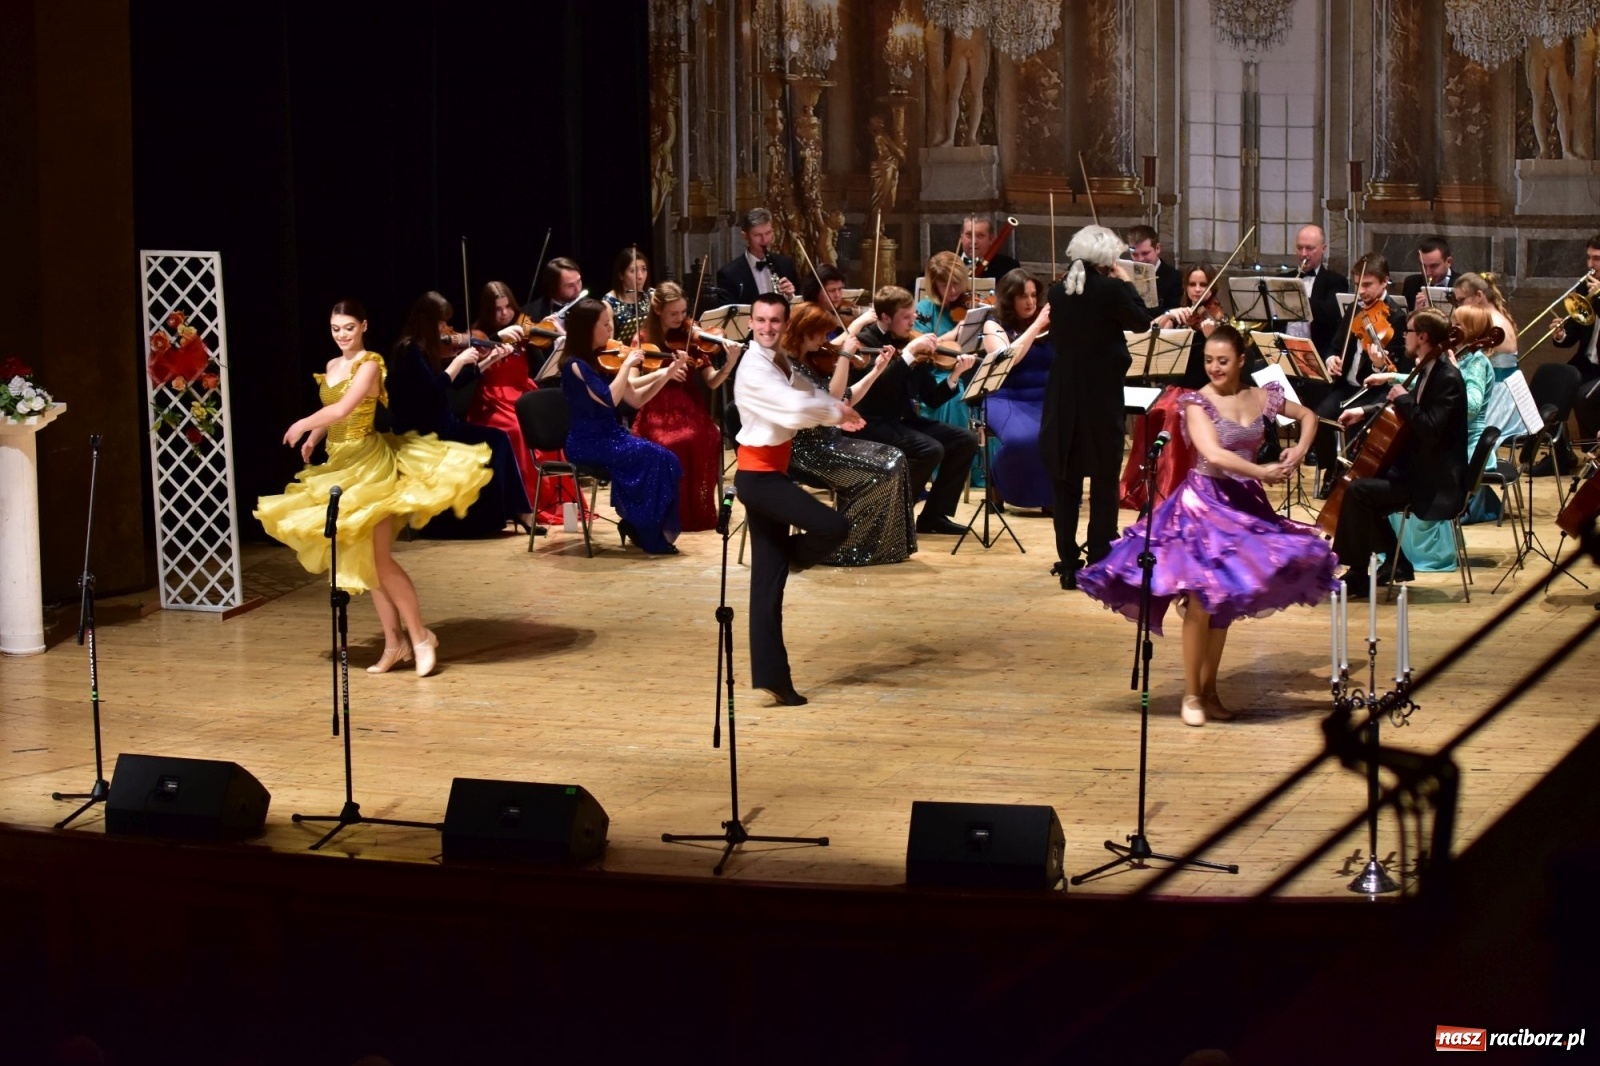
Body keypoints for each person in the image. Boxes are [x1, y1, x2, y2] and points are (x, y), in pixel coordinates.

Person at [1079, 325, 1338, 726]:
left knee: (1223, 604)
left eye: (1222, 361)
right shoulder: (1197, 402)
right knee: (1201, 601)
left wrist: (1298, 450)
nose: (1214, 367)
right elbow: (1213, 454)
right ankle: (1192, 695)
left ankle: (1211, 691)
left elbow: (1308, 416)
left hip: (1245, 504)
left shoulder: (1263, 397)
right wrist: (1260, 470)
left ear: (1240, 361)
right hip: (1204, 505)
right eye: (1208, 361)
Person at [254, 299, 493, 677]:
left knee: (380, 560)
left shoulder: (370, 364)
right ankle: (394, 643)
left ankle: (420, 637)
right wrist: (315, 437)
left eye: (348, 327)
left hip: (370, 466)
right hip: (340, 467)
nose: (342, 335)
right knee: (367, 565)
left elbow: (345, 408)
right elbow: (333, 410)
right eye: (335, 329)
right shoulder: (333, 366)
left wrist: (304, 422)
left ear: (363, 325)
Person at [1042, 225, 1192, 589]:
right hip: (1100, 396)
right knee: (1104, 480)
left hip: (1062, 397)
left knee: (1067, 483)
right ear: (1109, 259)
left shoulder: (1058, 291)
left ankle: (1067, 563)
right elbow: (1142, 322)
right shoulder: (1112, 289)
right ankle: (1099, 557)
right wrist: (1126, 282)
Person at [733, 293, 860, 705]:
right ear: (751, 322)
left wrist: (840, 407)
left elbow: (808, 393)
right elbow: (791, 410)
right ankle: (791, 555)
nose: (767, 327)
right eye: (761, 320)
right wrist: (836, 414)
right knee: (834, 525)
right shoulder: (753, 368)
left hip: (772, 472)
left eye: (775, 320)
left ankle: (774, 679)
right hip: (758, 478)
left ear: (784, 324)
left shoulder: (779, 361)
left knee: (767, 587)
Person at [1331, 307, 1468, 597]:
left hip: (1434, 480)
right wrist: (1363, 410)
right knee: (1357, 484)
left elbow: (1430, 428)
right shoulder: (1429, 368)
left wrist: (1405, 399)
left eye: (1407, 332)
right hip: (1418, 468)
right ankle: (1393, 564)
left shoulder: (1448, 378)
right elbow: (1403, 410)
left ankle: (1359, 573)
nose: (1403, 337)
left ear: (1422, 336)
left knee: (1359, 491)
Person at [386, 291, 537, 536]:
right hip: (425, 431)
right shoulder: (409, 351)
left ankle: (519, 510)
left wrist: (487, 362)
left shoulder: (427, 347)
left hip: (443, 424)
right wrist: (458, 362)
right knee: (496, 441)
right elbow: (434, 390)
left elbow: (455, 383)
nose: (446, 328)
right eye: (441, 322)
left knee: (499, 439)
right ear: (426, 321)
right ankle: (495, 517)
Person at [785, 300, 917, 565]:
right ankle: (842, 547)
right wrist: (844, 357)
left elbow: (847, 397)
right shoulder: (789, 368)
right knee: (878, 472)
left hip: (830, 442)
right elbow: (832, 399)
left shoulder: (812, 361)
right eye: (822, 334)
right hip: (805, 453)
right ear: (805, 333)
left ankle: (886, 546)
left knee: (895, 457)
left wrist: (877, 370)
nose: (827, 340)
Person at [842, 285, 980, 535]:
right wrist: (907, 355)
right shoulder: (865, 343)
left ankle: (933, 516)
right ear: (885, 317)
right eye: (906, 317)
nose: (913, 321)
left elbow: (931, 398)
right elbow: (879, 386)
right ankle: (895, 514)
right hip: (869, 423)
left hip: (902, 421)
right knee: (930, 449)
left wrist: (955, 375)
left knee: (965, 440)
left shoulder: (911, 342)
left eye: (913, 314)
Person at [559, 298, 685, 555]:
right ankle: (643, 529)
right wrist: (627, 365)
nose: (610, 330)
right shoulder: (575, 365)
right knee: (652, 458)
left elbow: (635, 397)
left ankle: (635, 524)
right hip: (588, 443)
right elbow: (609, 399)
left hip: (612, 436)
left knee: (668, 459)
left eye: (611, 323)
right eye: (605, 325)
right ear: (587, 329)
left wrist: (667, 373)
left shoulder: (600, 359)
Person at [1387, 304, 1497, 569]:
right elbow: (1428, 388)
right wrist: (1391, 376)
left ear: (1470, 330)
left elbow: (1468, 409)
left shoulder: (1475, 363)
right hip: (1442, 438)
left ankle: (1411, 552)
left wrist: (1456, 371)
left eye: (1457, 323)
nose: (1451, 327)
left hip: (1463, 443)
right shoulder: (1451, 357)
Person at [465, 281, 571, 528]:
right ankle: (525, 503)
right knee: (516, 430)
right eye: (497, 309)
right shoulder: (480, 333)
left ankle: (558, 500)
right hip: (493, 400)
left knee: (549, 429)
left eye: (507, 308)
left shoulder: (524, 328)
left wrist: (556, 333)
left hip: (523, 393)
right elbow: (471, 363)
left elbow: (543, 364)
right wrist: (496, 338)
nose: (504, 314)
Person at [635, 281, 739, 531]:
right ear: (657, 309)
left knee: (707, 435)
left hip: (690, 409)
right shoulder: (643, 339)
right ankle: (671, 511)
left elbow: (712, 382)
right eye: (674, 313)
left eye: (683, 312)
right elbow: (634, 384)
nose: (681, 318)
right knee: (672, 442)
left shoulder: (691, 337)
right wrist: (665, 375)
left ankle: (696, 510)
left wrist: (729, 364)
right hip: (656, 408)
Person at [1118, 263, 1217, 512]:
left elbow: (1224, 365)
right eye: (1192, 284)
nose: (1197, 290)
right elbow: (1151, 332)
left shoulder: (1216, 319)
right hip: (1176, 388)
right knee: (1150, 412)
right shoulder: (1182, 316)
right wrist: (1170, 315)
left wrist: (1212, 336)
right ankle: (1146, 486)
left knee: (1174, 414)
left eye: (1203, 285)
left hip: (1206, 392)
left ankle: (1172, 487)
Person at [1309, 254, 1409, 498]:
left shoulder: (1396, 317)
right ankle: (1330, 471)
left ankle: (1352, 482)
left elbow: (1395, 370)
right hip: (1347, 386)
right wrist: (1332, 358)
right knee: (1317, 419)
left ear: (1385, 282)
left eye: (1367, 285)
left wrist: (1377, 365)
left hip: (1372, 390)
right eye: (1358, 284)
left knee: (1354, 423)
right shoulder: (1355, 308)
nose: (1361, 291)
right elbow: (1335, 345)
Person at [978, 268, 1054, 510]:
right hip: (1005, 397)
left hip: (1046, 396)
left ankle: (1051, 495)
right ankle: (997, 480)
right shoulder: (994, 324)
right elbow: (1008, 359)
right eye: (1023, 296)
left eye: (1033, 295)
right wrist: (1037, 326)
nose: (1031, 302)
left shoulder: (1051, 322)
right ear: (1010, 298)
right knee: (1023, 440)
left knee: (1067, 435)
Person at [1548, 235, 1600, 462]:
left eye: (1597, 259)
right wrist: (1561, 334)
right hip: (1588, 362)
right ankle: (1559, 457)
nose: (1590, 265)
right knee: (1553, 389)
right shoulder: (1585, 286)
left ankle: (1593, 455)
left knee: (1584, 397)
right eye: (1588, 258)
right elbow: (1574, 331)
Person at [1290, 225, 1350, 359]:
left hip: (1317, 354)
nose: (1303, 254)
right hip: (1282, 350)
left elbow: (1328, 313)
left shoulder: (1336, 281)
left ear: (1323, 249)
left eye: (1310, 248)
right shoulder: (1283, 279)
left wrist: (1295, 299)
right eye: (1299, 248)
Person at [716, 207, 799, 304]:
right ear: (745, 236)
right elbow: (730, 313)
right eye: (757, 235)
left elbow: (801, 306)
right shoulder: (729, 274)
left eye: (768, 233)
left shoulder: (785, 265)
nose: (765, 240)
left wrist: (790, 297)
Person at [1127, 224, 1182, 312]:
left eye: (1145, 253)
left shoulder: (1173, 277)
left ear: (1157, 248)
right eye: (1134, 254)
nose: (1140, 260)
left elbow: (1172, 312)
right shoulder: (1122, 272)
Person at [602, 247, 652, 345]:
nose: (640, 276)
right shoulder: (608, 304)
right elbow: (609, 344)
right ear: (621, 275)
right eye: (633, 271)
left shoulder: (651, 295)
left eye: (644, 269)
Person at [1401, 236, 1458, 311]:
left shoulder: (1462, 284)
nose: (1427, 273)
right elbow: (1405, 320)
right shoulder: (1411, 284)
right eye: (1423, 266)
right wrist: (1415, 313)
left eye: (1434, 266)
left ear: (1449, 262)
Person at [527, 256, 584, 325]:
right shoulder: (529, 313)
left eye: (578, 281)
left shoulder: (591, 310)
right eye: (570, 286)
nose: (578, 289)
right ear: (554, 287)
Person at [960, 215, 1020, 280]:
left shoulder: (1009, 266)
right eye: (969, 235)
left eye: (980, 236)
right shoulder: (948, 262)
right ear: (961, 238)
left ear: (991, 239)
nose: (974, 241)